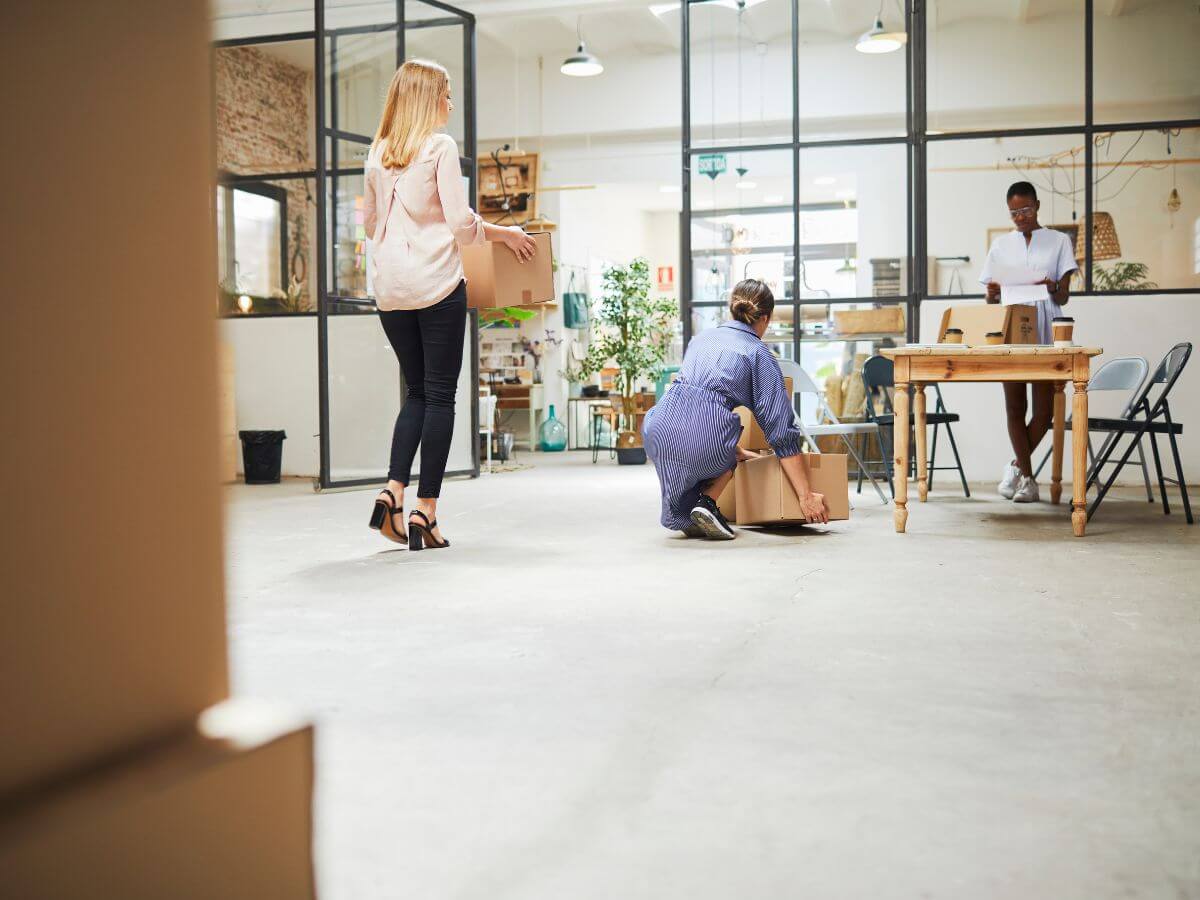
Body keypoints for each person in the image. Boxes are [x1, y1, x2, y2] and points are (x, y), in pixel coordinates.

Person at [364, 59, 536, 550]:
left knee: (416, 392)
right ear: (427, 98)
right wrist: (506, 234)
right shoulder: (439, 147)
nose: (450, 103)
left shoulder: (375, 153)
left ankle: (391, 490)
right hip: (436, 285)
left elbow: (370, 223)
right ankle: (426, 512)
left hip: (390, 292)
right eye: (446, 93)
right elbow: (462, 226)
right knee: (440, 396)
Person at [643, 279, 829, 540]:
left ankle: (689, 510)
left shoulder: (701, 339)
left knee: (715, 443)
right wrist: (806, 496)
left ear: (733, 310)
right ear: (765, 318)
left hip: (657, 430)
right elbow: (780, 432)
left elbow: (692, 403)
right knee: (722, 435)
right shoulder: (758, 353)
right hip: (701, 436)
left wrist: (734, 449)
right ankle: (707, 502)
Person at [980, 181, 1077, 504]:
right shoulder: (1000, 245)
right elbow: (991, 299)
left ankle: (1017, 467)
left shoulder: (1059, 241)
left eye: (1025, 210)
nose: (1020, 217)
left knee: (1044, 410)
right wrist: (991, 294)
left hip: (1047, 325)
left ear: (1037, 206)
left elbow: (1064, 295)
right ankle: (1030, 481)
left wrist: (1051, 286)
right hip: (1013, 322)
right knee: (1014, 406)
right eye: (1014, 212)